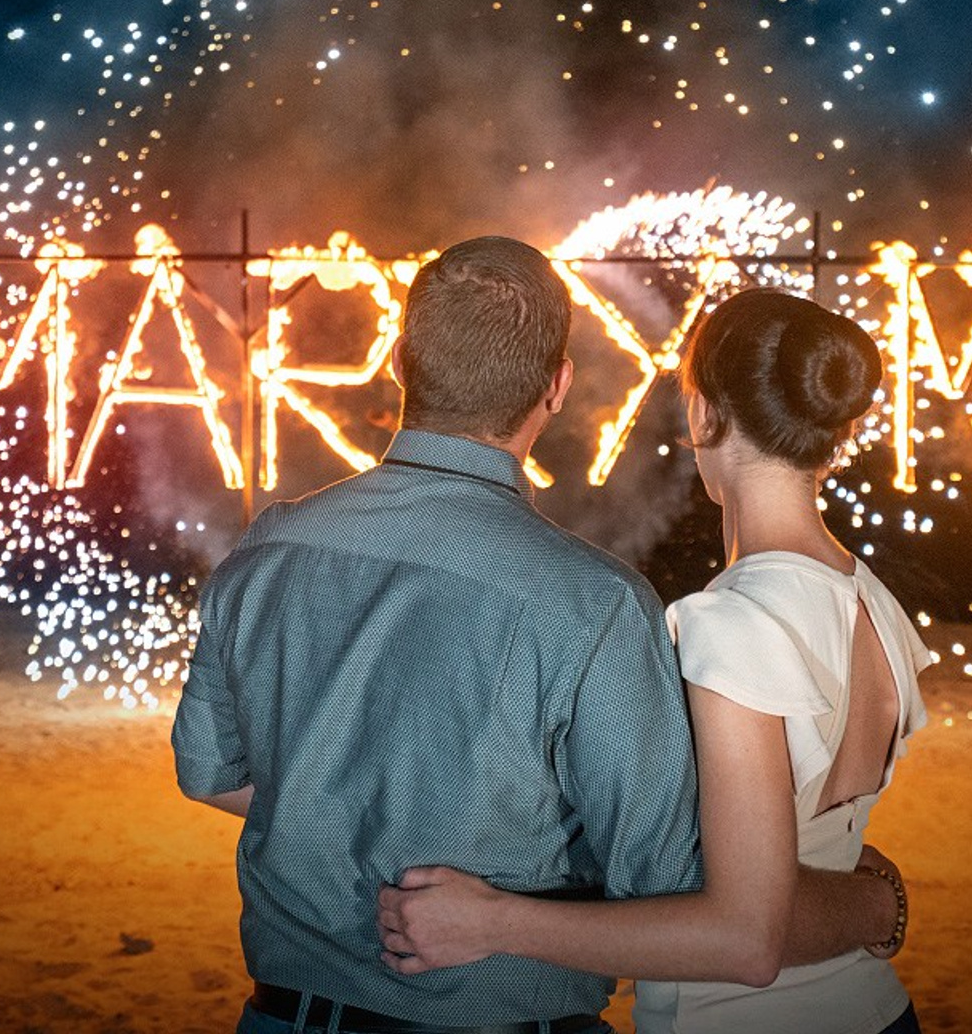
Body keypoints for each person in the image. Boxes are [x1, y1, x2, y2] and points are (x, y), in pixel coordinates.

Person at [172, 240, 904, 1034]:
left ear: (397, 362)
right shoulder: (594, 606)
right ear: (557, 387)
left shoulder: (269, 548)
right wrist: (872, 902)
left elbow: (209, 773)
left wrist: (356, 812)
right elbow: (675, 887)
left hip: (282, 1018)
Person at [377, 286, 933, 1034]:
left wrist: (494, 922)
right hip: (873, 1010)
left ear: (704, 413)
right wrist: (874, 903)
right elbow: (816, 861)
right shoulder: (872, 602)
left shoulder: (732, 625)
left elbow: (744, 937)